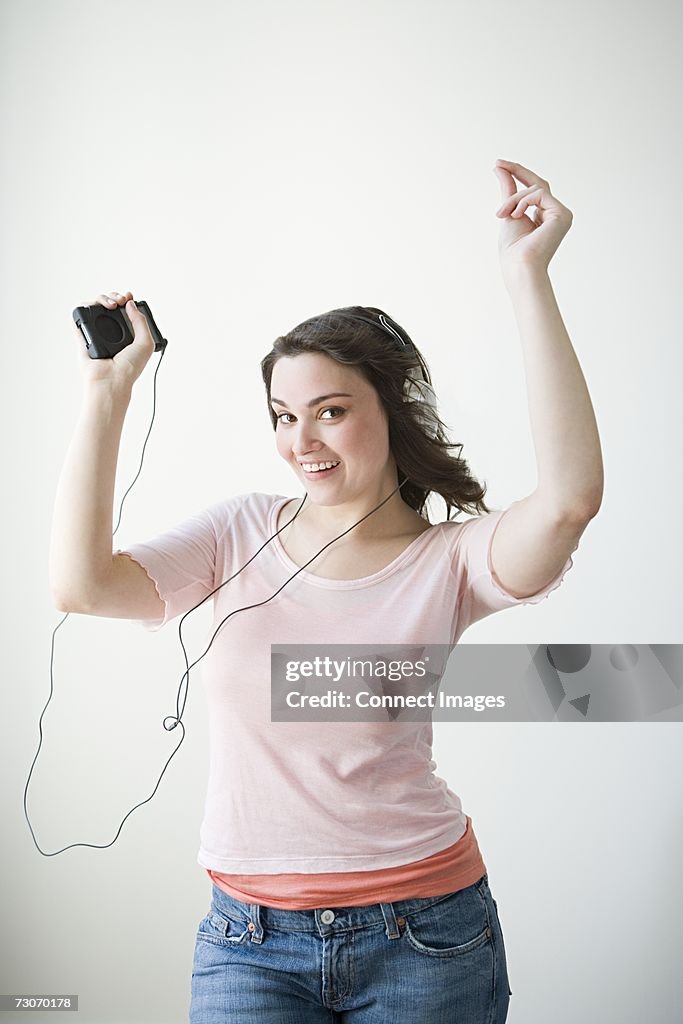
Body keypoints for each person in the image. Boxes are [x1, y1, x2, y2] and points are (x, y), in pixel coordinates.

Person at [48, 165, 603, 1024]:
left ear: (392, 409)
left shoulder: (452, 561)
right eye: (280, 414)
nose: (298, 440)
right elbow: (82, 586)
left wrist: (526, 276)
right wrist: (105, 392)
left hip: (424, 933)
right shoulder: (237, 532)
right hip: (249, 941)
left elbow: (568, 499)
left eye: (330, 411)